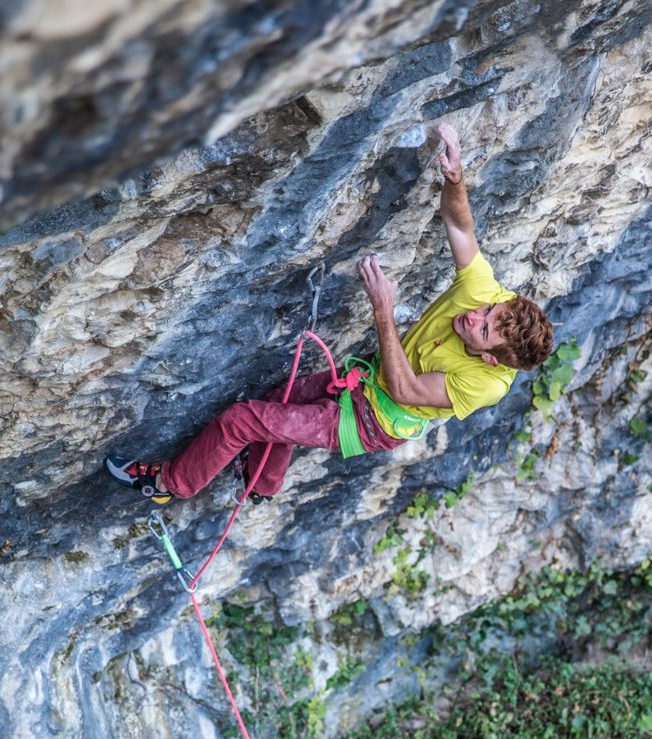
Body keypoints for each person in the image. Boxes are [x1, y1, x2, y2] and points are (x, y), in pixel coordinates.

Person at [105, 123, 554, 505]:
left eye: (485, 328)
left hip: (370, 421)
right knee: (282, 397)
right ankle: (263, 483)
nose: (475, 314)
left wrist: (382, 309)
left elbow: (405, 388)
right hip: (363, 382)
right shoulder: (485, 295)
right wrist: (455, 178)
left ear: (491, 358)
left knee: (240, 420)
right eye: (489, 309)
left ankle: (170, 485)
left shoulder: (486, 384)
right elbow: (460, 225)